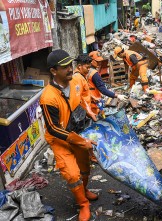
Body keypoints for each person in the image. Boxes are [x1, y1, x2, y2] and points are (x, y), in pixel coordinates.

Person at [40, 49, 98, 221]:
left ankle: (84, 190)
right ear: (53, 71)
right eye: (64, 67)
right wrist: (80, 142)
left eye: (70, 65)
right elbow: (52, 128)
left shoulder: (74, 84)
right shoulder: (48, 97)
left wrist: (90, 113)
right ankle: (83, 205)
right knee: (72, 175)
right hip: (60, 140)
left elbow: (80, 102)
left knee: (85, 168)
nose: (70, 69)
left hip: (76, 133)